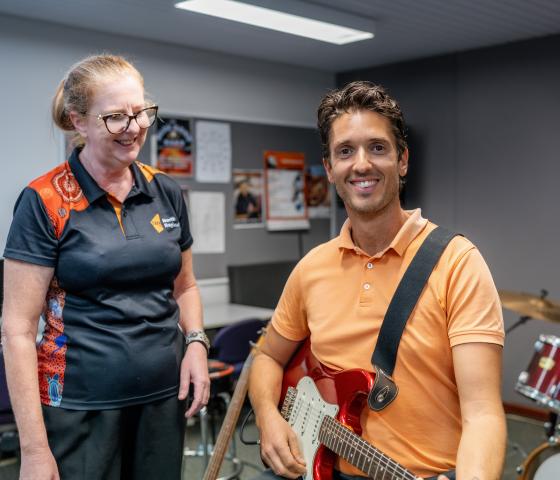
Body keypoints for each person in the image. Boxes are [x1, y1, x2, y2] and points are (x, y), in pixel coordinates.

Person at [248, 81, 506, 480]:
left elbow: (484, 414)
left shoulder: (459, 263)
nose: (362, 164)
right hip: (322, 465)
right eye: (346, 151)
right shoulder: (311, 268)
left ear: (402, 160)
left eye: (378, 148)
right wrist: (268, 417)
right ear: (330, 168)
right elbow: (267, 357)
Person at [1, 54, 210, 480]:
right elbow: (17, 329)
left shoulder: (164, 191)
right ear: (78, 122)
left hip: (161, 400)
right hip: (81, 406)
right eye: (116, 117)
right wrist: (35, 451)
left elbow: (185, 286)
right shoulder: (45, 201)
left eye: (140, 113)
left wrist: (196, 344)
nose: (133, 128)